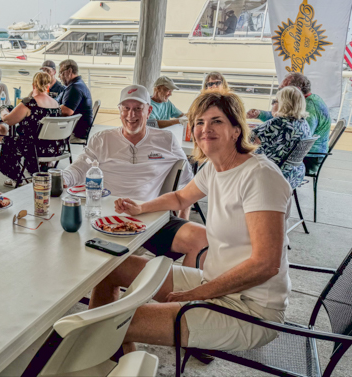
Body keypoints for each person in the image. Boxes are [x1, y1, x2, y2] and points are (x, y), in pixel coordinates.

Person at [91, 89, 292, 355]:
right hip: (214, 282)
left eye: (216, 121)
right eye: (199, 122)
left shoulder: (259, 176)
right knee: (111, 268)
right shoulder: (215, 167)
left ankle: (106, 345)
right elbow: (179, 198)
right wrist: (141, 207)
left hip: (248, 308)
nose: (205, 129)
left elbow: (266, 265)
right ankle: (108, 351)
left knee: (111, 324)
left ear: (236, 129)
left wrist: (197, 294)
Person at [64, 84, 201, 265]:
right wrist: (60, 178)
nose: (131, 115)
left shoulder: (166, 140)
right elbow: (79, 169)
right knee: (98, 261)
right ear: (119, 110)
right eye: (126, 108)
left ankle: (180, 289)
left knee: (199, 240)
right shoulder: (102, 139)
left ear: (149, 110)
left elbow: (188, 183)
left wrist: (182, 220)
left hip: (149, 218)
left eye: (138, 108)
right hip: (105, 218)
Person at [247, 72, 331, 175]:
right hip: (295, 168)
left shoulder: (311, 109)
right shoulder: (301, 113)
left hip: (308, 158)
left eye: (282, 89)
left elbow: (287, 131)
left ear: (295, 91)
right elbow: (286, 119)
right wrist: (260, 114)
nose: (279, 91)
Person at [0, 72, 62, 187]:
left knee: (9, 142)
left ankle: (17, 178)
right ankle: (37, 174)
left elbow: (8, 120)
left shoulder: (30, 103)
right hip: (55, 148)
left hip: (33, 148)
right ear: (48, 86)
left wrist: (3, 110)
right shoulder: (56, 104)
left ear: (33, 85)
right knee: (19, 141)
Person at [253, 86, 312, 189]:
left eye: (274, 101)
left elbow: (246, 140)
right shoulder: (304, 123)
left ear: (283, 104)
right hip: (294, 174)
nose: (273, 104)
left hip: (272, 174)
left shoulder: (278, 123)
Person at [58, 59, 93, 142]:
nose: (59, 76)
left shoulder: (75, 88)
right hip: (79, 130)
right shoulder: (79, 84)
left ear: (69, 71)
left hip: (75, 134)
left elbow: (67, 111)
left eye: (61, 72)